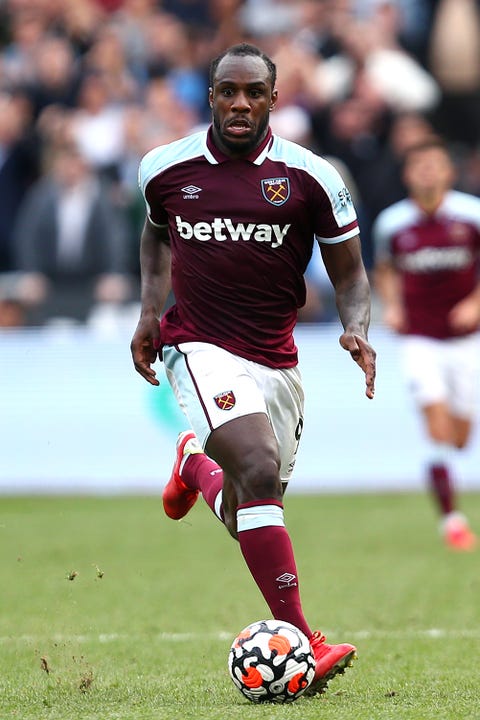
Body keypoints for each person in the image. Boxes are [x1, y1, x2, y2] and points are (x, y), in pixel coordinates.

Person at [131, 43, 376, 696]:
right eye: (227, 91)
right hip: (198, 346)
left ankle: (193, 465)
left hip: (277, 361)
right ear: (209, 96)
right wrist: (151, 312)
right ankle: (303, 638)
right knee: (260, 469)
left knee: (252, 503)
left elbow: (350, 274)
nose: (239, 103)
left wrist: (356, 327)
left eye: (253, 93)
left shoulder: (311, 177)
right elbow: (156, 237)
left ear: (274, 99)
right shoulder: (164, 169)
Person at [373, 137, 480, 551]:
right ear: (408, 175)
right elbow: (384, 270)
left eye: (434, 165)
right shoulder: (393, 223)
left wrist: (474, 303)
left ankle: (445, 477)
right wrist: (393, 306)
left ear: (448, 172)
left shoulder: (471, 215)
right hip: (420, 339)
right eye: (419, 166)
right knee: (435, 427)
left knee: (460, 437)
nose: (427, 173)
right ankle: (452, 520)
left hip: (466, 341)